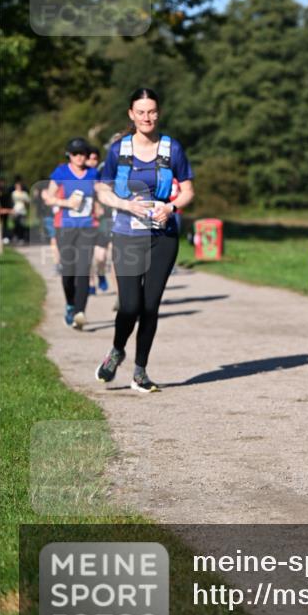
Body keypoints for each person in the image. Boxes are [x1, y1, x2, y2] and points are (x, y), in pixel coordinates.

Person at [94, 88, 194, 393]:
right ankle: (116, 351)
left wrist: (171, 207)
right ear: (131, 114)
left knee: (150, 306)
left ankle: (140, 372)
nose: (147, 117)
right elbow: (102, 189)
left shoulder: (172, 149)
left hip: (163, 237)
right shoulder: (118, 150)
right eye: (141, 112)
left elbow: (188, 190)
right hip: (127, 234)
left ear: (158, 113)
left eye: (152, 111)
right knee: (129, 305)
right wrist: (125, 205)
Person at [43, 139, 99, 329]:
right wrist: (67, 203)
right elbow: (48, 198)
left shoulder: (93, 173)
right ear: (69, 155)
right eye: (76, 153)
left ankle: (80, 312)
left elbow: (101, 194)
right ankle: (70, 304)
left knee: (83, 270)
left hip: (87, 227)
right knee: (68, 272)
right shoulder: (61, 172)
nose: (80, 157)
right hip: (64, 227)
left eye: (83, 153)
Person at [85, 147, 110, 294]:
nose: (92, 162)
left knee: (101, 256)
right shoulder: (79, 176)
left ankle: (101, 274)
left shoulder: (101, 175)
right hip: (86, 220)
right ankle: (90, 283)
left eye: (95, 159)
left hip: (102, 219)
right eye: (90, 158)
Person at [10, 176, 30, 244]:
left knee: (22, 225)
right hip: (16, 210)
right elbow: (12, 202)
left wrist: (24, 201)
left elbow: (28, 202)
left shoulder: (24, 194)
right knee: (16, 224)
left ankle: (22, 237)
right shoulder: (14, 193)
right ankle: (16, 236)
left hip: (22, 211)